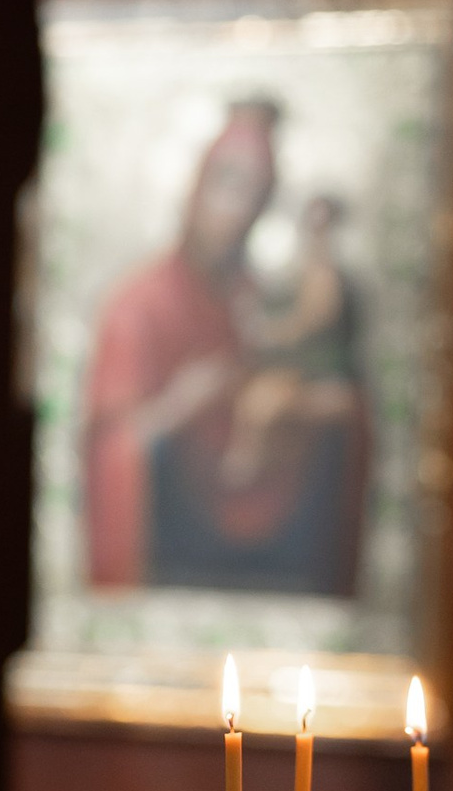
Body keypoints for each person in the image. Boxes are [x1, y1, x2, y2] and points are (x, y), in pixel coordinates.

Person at [80, 102, 368, 598]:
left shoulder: (260, 300)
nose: (239, 212)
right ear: (195, 187)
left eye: (258, 195)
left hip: (277, 544)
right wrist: (177, 408)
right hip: (175, 548)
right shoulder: (137, 306)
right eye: (228, 185)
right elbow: (108, 447)